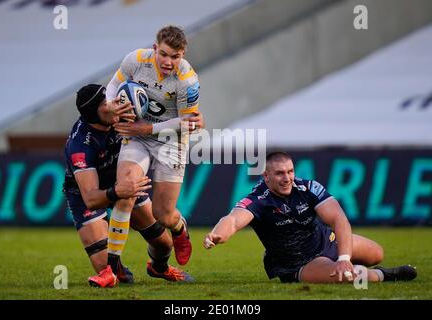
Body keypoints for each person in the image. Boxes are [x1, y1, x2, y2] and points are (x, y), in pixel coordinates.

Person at [203, 152, 417, 284]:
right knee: (347, 278)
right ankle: (383, 276)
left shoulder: (307, 187)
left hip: (325, 240)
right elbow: (232, 220)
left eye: (290, 171)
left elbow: (339, 219)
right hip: (298, 262)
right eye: (279, 173)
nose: (286, 178)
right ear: (266, 177)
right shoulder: (259, 199)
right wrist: (216, 235)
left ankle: (348, 262)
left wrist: (343, 258)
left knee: (376, 253)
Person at [64, 84, 196, 288]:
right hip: (87, 194)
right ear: (94, 113)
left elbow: (176, 120)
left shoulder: (128, 111)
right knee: (107, 269)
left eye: (112, 98)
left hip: (125, 183)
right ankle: (116, 270)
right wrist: (117, 191)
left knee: (163, 244)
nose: (116, 105)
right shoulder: (80, 144)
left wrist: (193, 120)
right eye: (107, 104)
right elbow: (91, 199)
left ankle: (159, 267)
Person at [98, 25, 201, 281]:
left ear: (183, 54)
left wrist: (146, 127)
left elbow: (191, 123)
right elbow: (112, 87)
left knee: (163, 215)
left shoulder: (187, 80)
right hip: (137, 137)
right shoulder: (136, 60)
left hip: (170, 140)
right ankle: (111, 269)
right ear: (155, 48)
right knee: (126, 191)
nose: (168, 62)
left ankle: (179, 228)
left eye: (175, 57)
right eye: (164, 54)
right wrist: (114, 109)